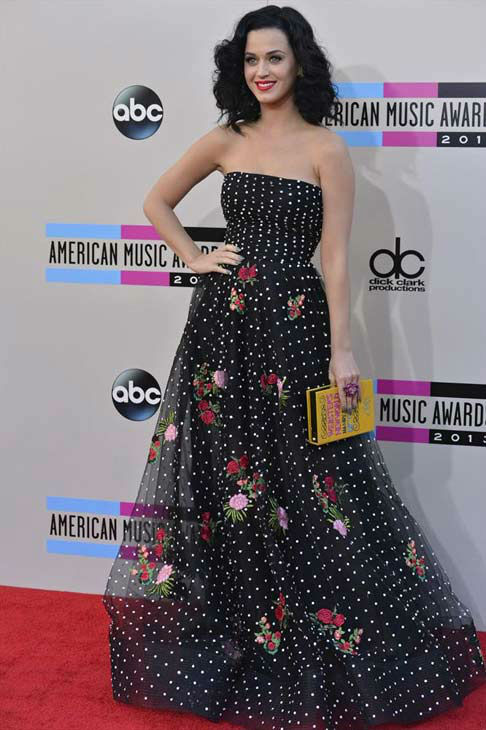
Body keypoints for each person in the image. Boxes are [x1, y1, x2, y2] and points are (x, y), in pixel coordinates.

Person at [102, 6, 486, 730]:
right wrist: (192, 255)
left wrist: (343, 351)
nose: (262, 71)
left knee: (312, 481)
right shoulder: (225, 137)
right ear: (237, 68)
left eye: (273, 57)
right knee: (228, 478)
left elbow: (337, 259)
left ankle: (317, 631)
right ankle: (238, 629)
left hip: (296, 329)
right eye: (250, 60)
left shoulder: (326, 150)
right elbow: (156, 201)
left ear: (298, 63)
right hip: (221, 329)